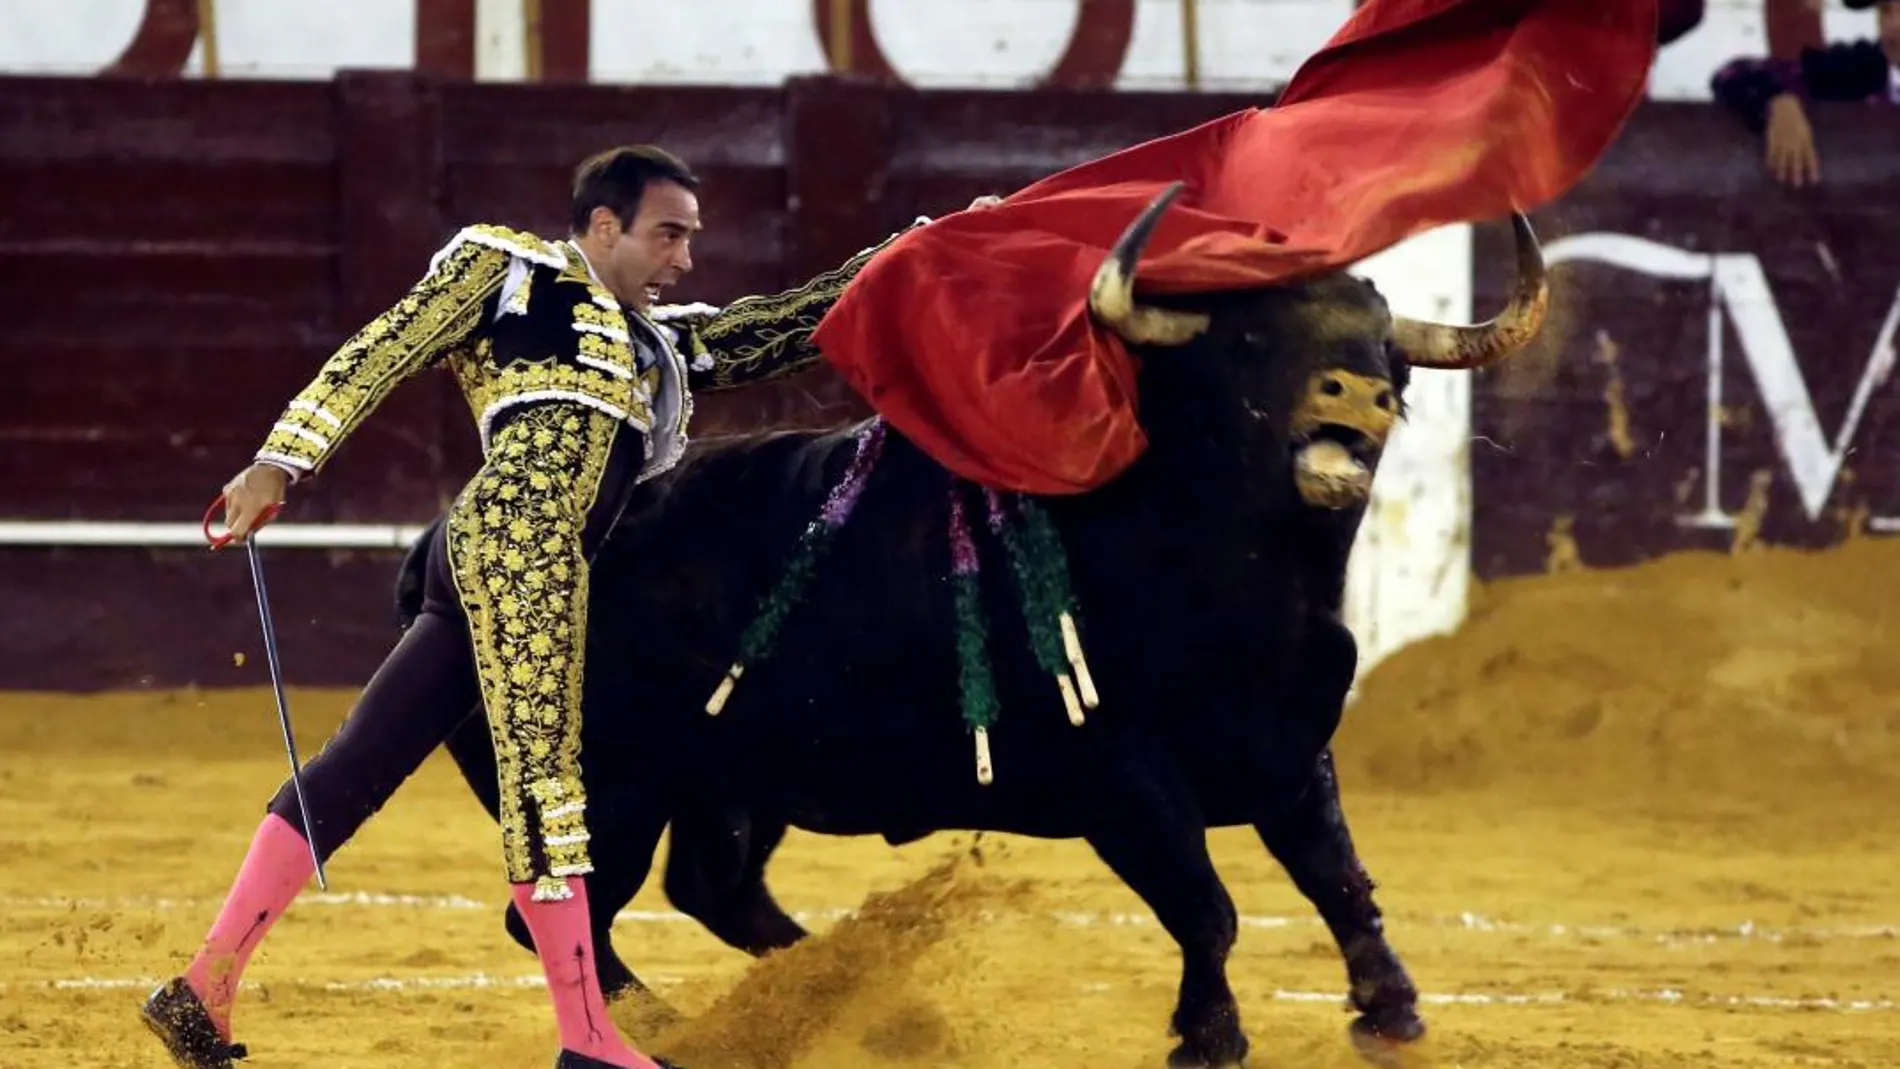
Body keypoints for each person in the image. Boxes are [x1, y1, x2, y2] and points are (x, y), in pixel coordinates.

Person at [138, 143, 982, 1069]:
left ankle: (201, 990)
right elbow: (379, 349)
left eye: (691, 239)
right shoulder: (504, 271)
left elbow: (780, 326)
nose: (683, 260)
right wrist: (280, 461)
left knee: (360, 761)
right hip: (521, 551)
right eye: (668, 235)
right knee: (546, 793)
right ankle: (588, 1044)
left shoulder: (659, 342)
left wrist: (917, 248)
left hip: (516, 559)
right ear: (605, 224)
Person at [1710, 0, 1899, 186]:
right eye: (1885, 10)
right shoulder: (1857, 70)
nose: (1894, 24)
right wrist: (1778, 102)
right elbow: (1732, 74)